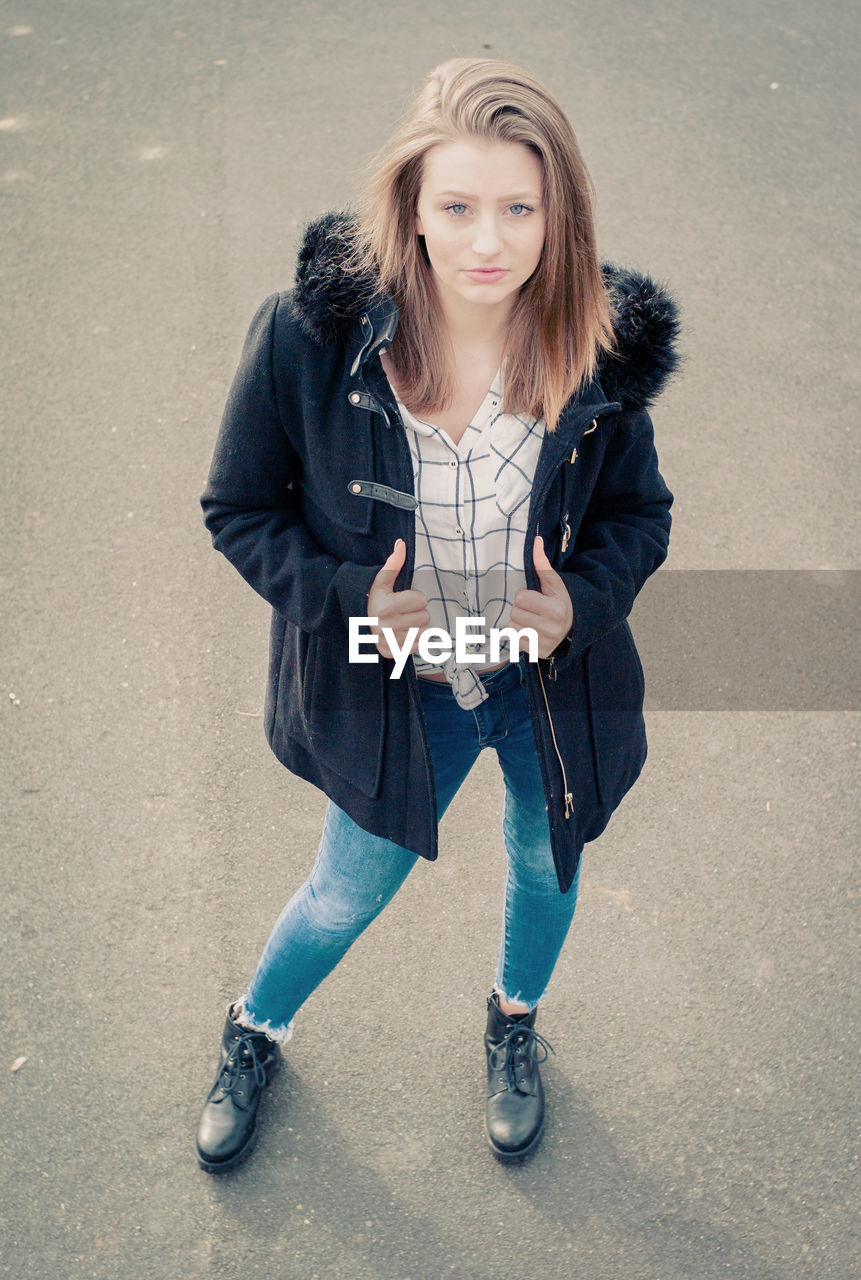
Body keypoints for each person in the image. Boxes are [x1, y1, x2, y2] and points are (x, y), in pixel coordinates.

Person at [196, 56, 679, 1172]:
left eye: (521, 209)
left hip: (545, 681)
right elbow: (236, 506)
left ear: (561, 217)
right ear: (410, 206)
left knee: (546, 864)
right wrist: (341, 598)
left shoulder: (596, 349)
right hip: (391, 678)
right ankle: (254, 1027)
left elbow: (640, 516)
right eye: (458, 206)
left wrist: (581, 608)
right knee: (342, 891)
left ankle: (515, 1020)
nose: (488, 243)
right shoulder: (307, 341)